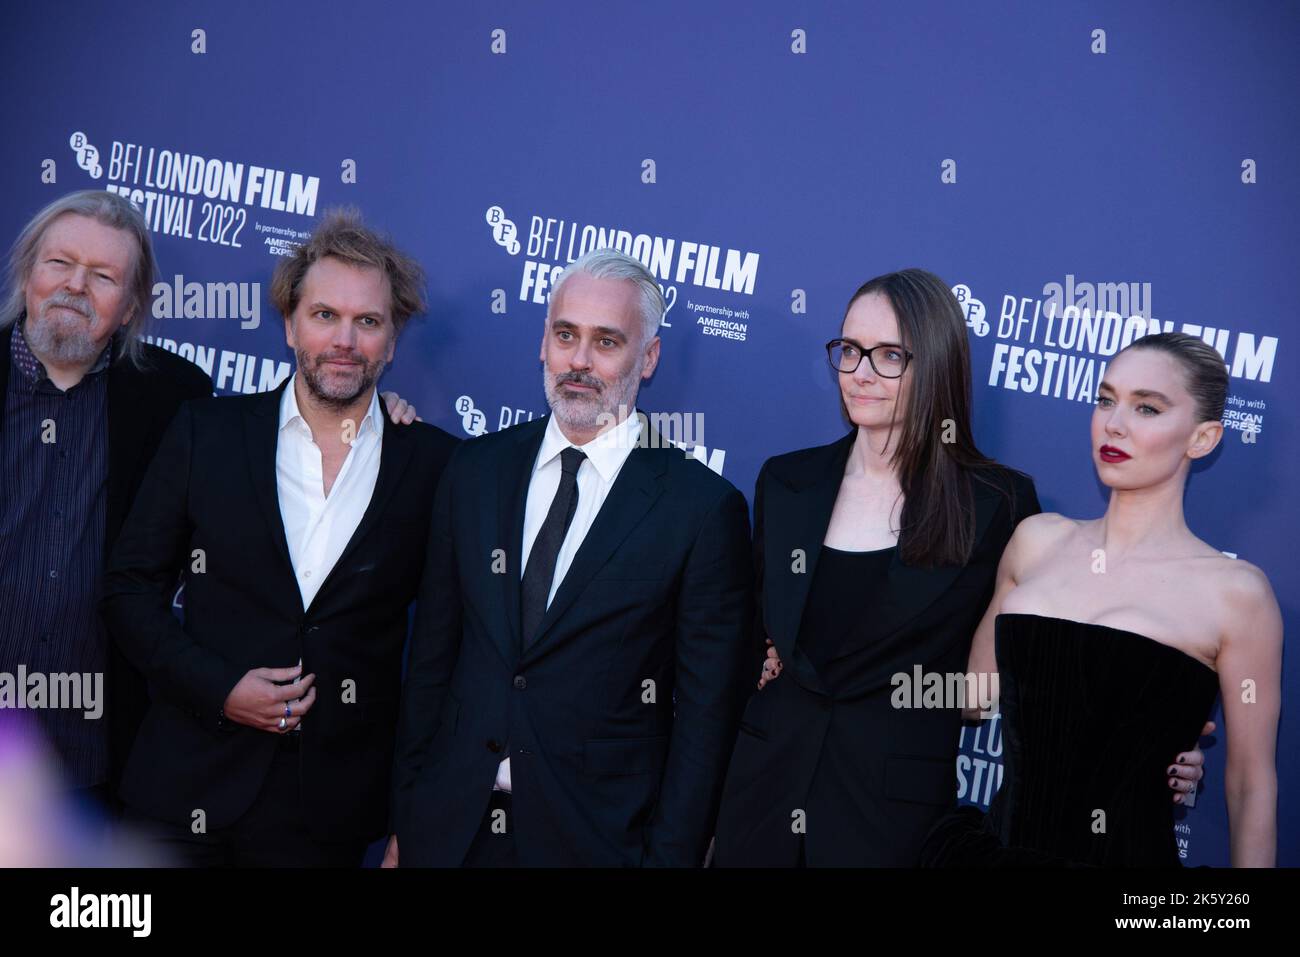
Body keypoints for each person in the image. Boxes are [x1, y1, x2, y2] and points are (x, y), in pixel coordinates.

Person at [711, 269, 1205, 867]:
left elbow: (1037, 663)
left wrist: (1152, 744)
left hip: (889, 822)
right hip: (760, 799)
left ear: (937, 363)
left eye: (889, 355)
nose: (861, 372)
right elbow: (749, 637)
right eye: (849, 350)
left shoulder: (996, 503)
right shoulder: (786, 482)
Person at [100, 210, 457, 866]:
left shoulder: (434, 467)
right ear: (291, 323)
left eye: (368, 321)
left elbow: (442, 655)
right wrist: (219, 686)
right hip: (183, 787)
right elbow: (128, 590)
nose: (345, 339)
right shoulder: (205, 433)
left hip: (325, 815)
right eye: (325, 315)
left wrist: (414, 815)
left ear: (392, 340)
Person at [387, 248, 753, 867]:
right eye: (566, 335)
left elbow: (703, 722)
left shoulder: (699, 509)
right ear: (543, 344)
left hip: (595, 844)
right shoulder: (475, 471)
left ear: (650, 357)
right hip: (448, 836)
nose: (579, 361)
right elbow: (431, 664)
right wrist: (408, 822)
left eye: (606, 341)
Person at [921, 332, 1280, 867]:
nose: (1114, 423)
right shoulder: (1036, 541)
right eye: (1106, 399)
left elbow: (1250, 786)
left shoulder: (1237, 595)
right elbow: (971, 697)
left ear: (1202, 439)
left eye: (1147, 408)